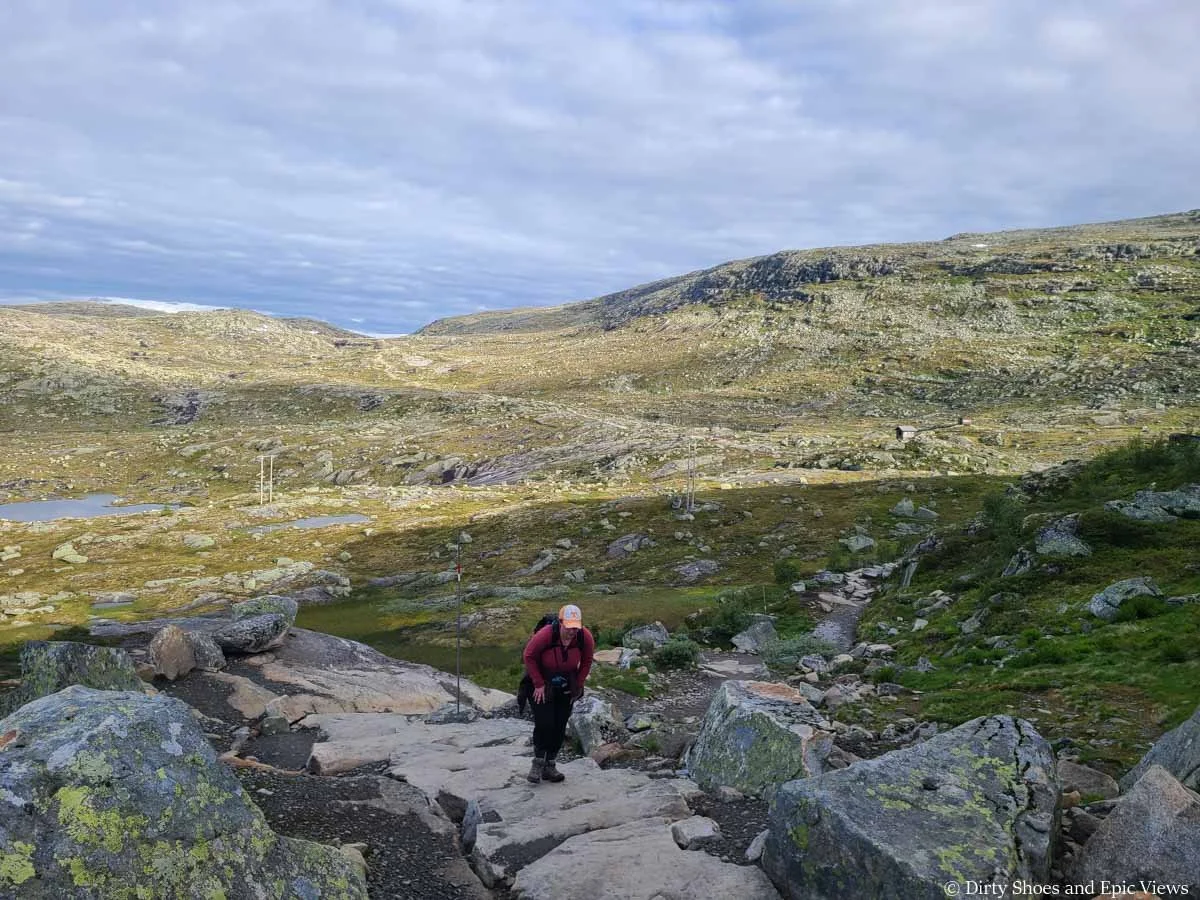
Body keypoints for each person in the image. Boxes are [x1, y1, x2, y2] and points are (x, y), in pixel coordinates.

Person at [521, 603, 594, 784]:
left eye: (575, 627)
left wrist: (578, 683)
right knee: (545, 722)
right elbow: (529, 656)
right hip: (541, 682)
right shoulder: (545, 635)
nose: (572, 631)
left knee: (560, 725)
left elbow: (587, 660)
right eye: (568, 627)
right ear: (560, 623)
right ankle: (538, 763)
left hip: (566, 684)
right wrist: (538, 684)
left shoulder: (585, 637)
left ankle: (550, 765)